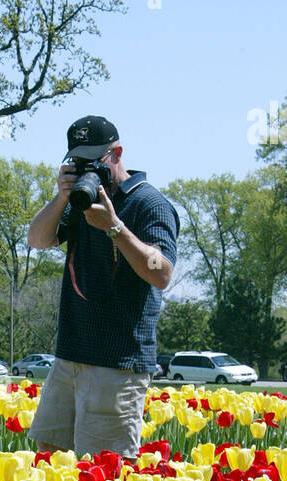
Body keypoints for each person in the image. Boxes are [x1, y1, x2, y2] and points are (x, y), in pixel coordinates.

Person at [27, 115, 179, 460]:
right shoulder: (80, 202)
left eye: (96, 160)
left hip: (117, 362)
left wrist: (114, 228)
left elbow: (162, 272)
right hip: (70, 354)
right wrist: (62, 198)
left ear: (117, 153)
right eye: (79, 161)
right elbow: (37, 239)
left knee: (103, 467)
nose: (88, 169)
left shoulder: (149, 204)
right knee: (50, 453)